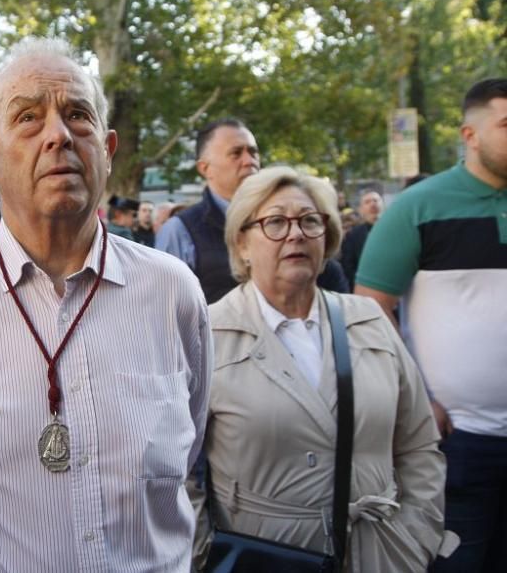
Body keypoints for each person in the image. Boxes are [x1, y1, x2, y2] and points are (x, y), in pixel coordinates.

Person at [0, 37, 212, 571]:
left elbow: (188, 443)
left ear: (107, 147)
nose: (58, 136)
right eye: (27, 118)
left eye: (78, 116)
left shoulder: (174, 294)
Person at [193, 165, 452, 571]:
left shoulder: (368, 319)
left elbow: (418, 444)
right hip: (264, 560)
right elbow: (176, 473)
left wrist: (414, 538)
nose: (296, 234)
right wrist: (204, 557)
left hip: (381, 556)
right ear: (242, 242)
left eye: (310, 221)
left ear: (327, 238)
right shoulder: (205, 333)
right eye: (276, 222)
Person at [355, 78, 507, 572]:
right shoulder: (416, 210)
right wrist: (418, 396)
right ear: (471, 134)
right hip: (460, 440)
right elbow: (371, 310)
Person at [155, 117, 261, 302]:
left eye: (253, 152)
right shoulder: (179, 231)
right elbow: (166, 311)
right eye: (236, 153)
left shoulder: (281, 221)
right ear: (205, 168)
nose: (249, 161)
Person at [339, 190, 383, 287]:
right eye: (367, 202)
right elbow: (348, 266)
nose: (373, 204)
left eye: (376, 200)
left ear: (382, 204)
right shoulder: (353, 235)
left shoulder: (396, 229)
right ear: (360, 209)